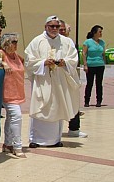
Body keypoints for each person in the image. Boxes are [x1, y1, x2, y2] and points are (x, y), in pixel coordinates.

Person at [25, 16, 80, 148]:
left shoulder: (66, 41)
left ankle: (55, 139)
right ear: (46, 27)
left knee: (58, 107)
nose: (55, 29)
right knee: (41, 107)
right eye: (52, 26)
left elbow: (73, 58)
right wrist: (43, 62)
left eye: (57, 27)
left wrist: (64, 62)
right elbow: (29, 60)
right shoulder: (37, 41)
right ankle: (36, 139)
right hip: (42, 80)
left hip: (59, 80)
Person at [58, 21, 87, 138]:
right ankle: (54, 130)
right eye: (60, 29)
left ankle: (74, 128)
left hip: (69, 76)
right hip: (55, 78)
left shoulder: (70, 43)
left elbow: (74, 59)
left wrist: (65, 62)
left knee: (73, 101)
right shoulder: (47, 42)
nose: (62, 31)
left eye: (64, 29)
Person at [0, 33, 26, 158]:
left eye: (16, 42)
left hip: (17, 91)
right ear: (6, 43)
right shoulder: (1, 53)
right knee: (16, 116)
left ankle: (8, 144)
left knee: (11, 118)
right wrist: (3, 64)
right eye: (13, 42)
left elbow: (24, 62)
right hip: (6, 93)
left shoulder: (16, 55)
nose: (16, 44)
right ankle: (17, 146)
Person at [82, 25, 106, 107]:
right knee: (90, 83)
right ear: (94, 32)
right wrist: (85, 65)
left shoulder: (102, 42)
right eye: (99, 32)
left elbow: (103, 54)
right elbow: (84, 53)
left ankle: (99, 101)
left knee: (99, 83)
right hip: (90, 65)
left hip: (100, 65)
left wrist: (104, 62)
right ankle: (86, 101)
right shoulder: (87, 42)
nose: (101, 33)